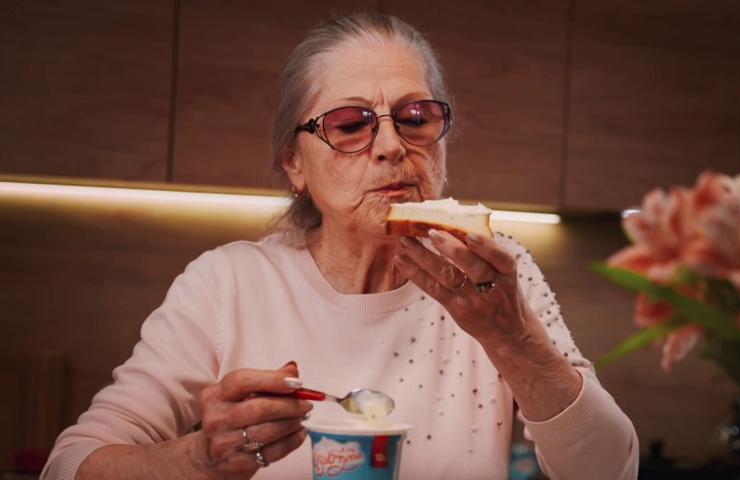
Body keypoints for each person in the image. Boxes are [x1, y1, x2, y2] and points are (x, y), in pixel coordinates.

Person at [41, 12, 638, 480]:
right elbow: (69, 465)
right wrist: (199, 460)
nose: (392, 147)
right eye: (350, 124)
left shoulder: (495, 276)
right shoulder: (228, 284)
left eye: (416, 117)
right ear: (294, 163)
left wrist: (515, 339)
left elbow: (610, 470)